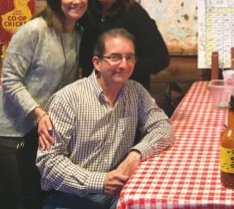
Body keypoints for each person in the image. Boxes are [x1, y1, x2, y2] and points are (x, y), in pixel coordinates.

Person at [36, 28, 175, 209]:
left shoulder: (135, 91)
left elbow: (163, 127)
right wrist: (100, 181)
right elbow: (49, 163)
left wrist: (136, 154)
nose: (124, 65)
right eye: (115, 57)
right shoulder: (67, 99)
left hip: (117, 194)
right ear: (97, 63)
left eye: (129, 57)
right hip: (72, 198)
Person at [0, 0, 92, 209]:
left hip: (44, 135)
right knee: (14, 201)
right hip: (12, 132)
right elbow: (9, 79)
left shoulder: (79, 33)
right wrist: (38, 113)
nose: (76, 1)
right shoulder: (34, 30)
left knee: (38, 199)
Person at [79, 0, 169, 91]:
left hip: (128, 96)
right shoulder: (87, 11)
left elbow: (161, 59)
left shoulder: (136, 15)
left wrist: (122, 64)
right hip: (92, 95)